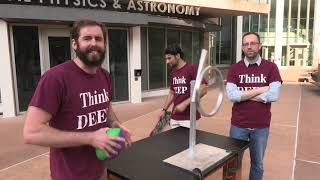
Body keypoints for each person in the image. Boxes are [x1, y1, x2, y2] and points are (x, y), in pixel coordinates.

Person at [23, 20, 132, 180]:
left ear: (105, 44)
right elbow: (31, 133)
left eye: (98, 39)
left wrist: (115, 123)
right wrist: (91, 138)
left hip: (100, 170)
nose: (94, 43)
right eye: (87, 38)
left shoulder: (105, 75)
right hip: (69, 175)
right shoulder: (56, 78)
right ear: (75, 44)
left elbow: (105, 106)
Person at [226, 32, 282, 180]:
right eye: (246, 44)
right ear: (242, 47)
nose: (249, 46)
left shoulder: (271, 68)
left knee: (257, 164)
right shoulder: (234, 69)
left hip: (261, 127)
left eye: (252, 43)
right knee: (233, 162)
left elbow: (274, 95)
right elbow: (232, 96)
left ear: (259, 45)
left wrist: (243, 95)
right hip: (238, 126)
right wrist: (261, 90)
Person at [159, 45, 207, 128]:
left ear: (177, 56)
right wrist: (164, 109)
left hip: (189, 118)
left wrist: (185, 103)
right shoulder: (173, 72)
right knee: (175, 141)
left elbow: (203, 90)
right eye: (166, 59)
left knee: (188, 141)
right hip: (175, 117)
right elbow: (172, 93)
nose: (167, 62)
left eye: (169, 58)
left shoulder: (192, 69)